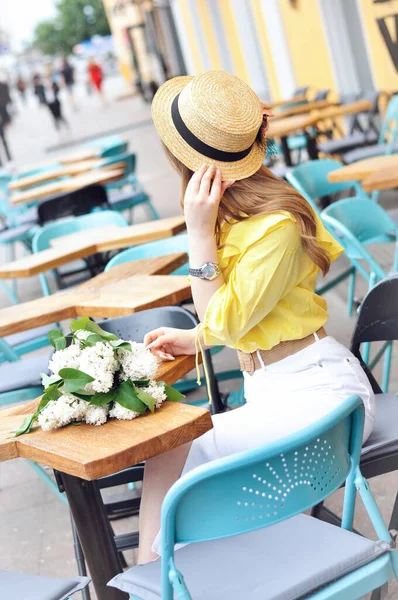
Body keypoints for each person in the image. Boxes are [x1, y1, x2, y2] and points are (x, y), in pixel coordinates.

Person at [137, 71, 376, 563]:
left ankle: (151, 582)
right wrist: (195, 338)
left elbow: (227, 320)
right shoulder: (245, 213)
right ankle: (167, 581)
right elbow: (242, 314)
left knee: (171, 451)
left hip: (320, 398)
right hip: (276, 392)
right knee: (179, 457)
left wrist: (197, 234)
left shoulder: (275, 225)